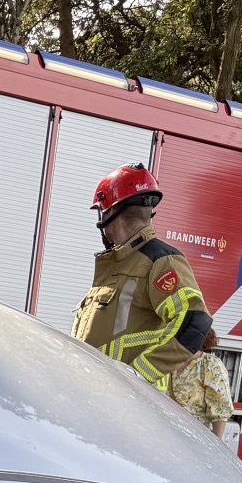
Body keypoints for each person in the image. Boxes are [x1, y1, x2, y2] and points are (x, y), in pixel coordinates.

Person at [73, 164, 212, 389]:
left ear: (111, 212)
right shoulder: (120, 262)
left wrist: (138, 375)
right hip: (96, 390)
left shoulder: (160, 260)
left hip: (126, 397)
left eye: (101, 211)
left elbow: (195, 322)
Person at [168, 329, 234, 439]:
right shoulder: (167, 360)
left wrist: (214, 444)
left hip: (193, 439)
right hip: (164, 434)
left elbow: (220, 410)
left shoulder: (211, 364)